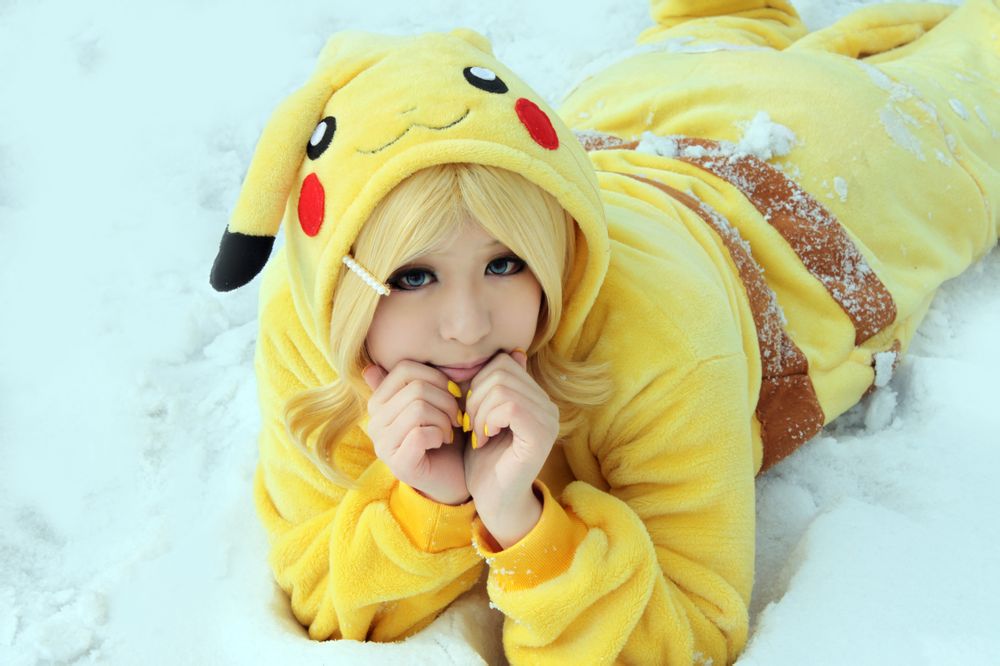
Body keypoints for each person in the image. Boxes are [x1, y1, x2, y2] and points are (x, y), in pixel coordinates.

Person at [208, 0, 1000, 663]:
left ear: (551, 239)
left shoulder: (663, 338)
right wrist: (428, 505)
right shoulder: (311, 323)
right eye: (413, 277)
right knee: (714, 31)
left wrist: (525, 529)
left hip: (823, 170)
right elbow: (323, 594)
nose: (467, 326)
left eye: (507, 262)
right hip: (635, 110)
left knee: (980, 85)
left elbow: (690, 632)